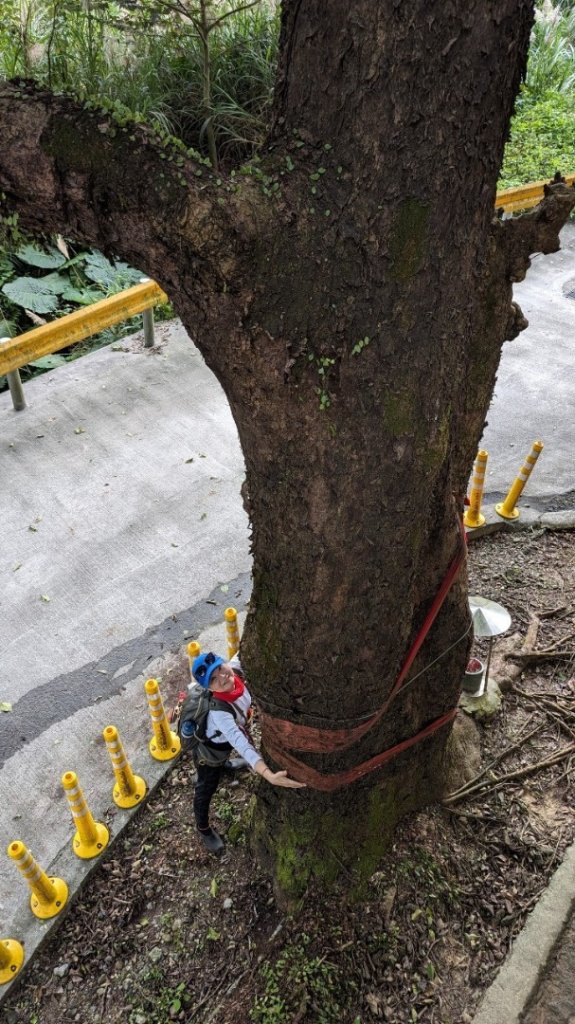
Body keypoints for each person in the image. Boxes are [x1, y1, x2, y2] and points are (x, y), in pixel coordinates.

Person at [191, 651, 306, 854]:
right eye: (214, 679)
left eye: (220, 668)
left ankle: (225, 766)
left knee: (225, 756)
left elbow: (244, 649)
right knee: (206, 787)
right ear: (209, 688)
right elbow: (241, 744)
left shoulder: (236, 670)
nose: (222, 677)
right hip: (209, 752)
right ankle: (203, 828)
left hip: (224, 743)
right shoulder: (219, 713)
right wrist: (268, 774)